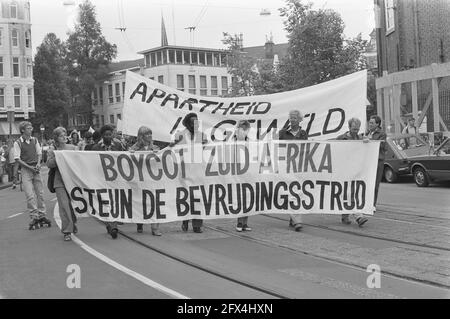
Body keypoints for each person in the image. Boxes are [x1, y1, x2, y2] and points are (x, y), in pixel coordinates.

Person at [173, 113, 207, 233]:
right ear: (187, 123)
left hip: (198, 172)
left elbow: (208, 150)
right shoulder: (180, 135)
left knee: (198, 198)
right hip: (185, 172)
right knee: (186, 198)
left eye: (196, 121)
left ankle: (197, 224)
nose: (195, 124)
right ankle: (185, 220)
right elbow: (174, 152)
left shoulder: (202, 135)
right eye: (192, 122)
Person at [13, 121, 50, 230]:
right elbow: (17, 158)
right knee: (30, 195)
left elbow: (39, 153)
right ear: (23, 130)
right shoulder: (18, 143)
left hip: (36, 168)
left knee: (40, 193)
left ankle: (42, 214)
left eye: (31, 127)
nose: (31, 129)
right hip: (26, 169)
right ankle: (34, 216)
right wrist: (29, 167)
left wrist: (38, 164)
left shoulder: (34, 140)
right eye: (29, 128)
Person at [91, 124, 126, 239]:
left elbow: (123, 158)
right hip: (101, 179)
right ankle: (109, 224)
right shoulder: (96, 148)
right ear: (102, 135)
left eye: (110, 134)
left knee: (114, 201)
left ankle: (113, 226)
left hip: (115, 179)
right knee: (104, 203)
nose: (108, 137)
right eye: (105, 135)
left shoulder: (118, 145)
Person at [336, 118, 369, 227]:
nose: (356, 131)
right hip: (344, 170)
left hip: (356, 170)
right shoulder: (341, 139)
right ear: (349, 127)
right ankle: (355, 216)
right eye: (354, 129)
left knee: (354, 193)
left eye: (357, 129)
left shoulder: (360, 138)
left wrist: (367, 143)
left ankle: (352, 216)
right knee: (347, 193)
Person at [278, 110, 308, 232]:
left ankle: (295, 219)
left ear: (300, 120)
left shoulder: (303, 133)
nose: (292, 120)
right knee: (288, 192)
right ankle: (295, 219)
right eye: (291, 118)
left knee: (297, 193)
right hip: (286, 168)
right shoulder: (283, 133)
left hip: (299, 168)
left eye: (295, 118)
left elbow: (307, 149)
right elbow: (275, 146)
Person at [129, 126, 162, 236]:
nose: (149, 136)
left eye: (150, 134)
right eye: (147, 134)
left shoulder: (156, 147)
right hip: (140, 180)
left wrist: (158, 153)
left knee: (155, 202)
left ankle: (155, 227)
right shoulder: (134, 148)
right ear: (141, 136)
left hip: (153, 180)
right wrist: (131, 153)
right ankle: (140, 222)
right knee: (141, 202)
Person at [47, 127, 78, 241]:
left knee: (71, 205)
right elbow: (49, 164)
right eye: (61, 135)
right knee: (64, 206)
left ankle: (72, 222)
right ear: (56, 138)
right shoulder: (52, 150)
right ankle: (67, 231)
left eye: (65, 134)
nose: (64, 137)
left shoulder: (73, 148)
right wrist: (59, 156)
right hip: (59, 181)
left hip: (72, 180)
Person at [233, 120, 252, 232]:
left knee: (248, 198)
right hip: (238, 172)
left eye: (245, 128)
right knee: (240, 198)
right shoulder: (233, 140)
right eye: (241, 128)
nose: (243, 130)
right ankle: (239, 222)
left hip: (248, 172)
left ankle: (245, 223)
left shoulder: (251, 141)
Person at [367, 115, 387, 212]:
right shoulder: (367, 133)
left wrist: (370, 140)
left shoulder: (382, 134)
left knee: (375, 184)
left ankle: (373, 204)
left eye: (372, 123)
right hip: (368, 161)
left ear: (377, 124)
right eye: (369, 122)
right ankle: (366, 203)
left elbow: (382, 145)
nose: (369, 124)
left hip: (378, 161)